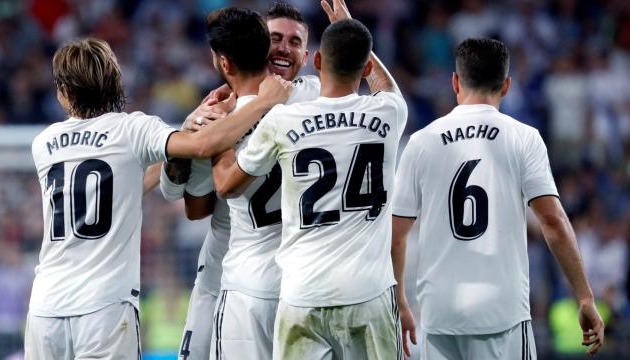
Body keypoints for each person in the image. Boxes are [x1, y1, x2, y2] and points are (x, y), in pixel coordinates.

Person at [25, 37, 292, 359]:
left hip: (45, 308)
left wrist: (187, 127)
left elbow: (118, 186)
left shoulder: (44, 144)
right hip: (104, 308)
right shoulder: (132, 130)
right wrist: (263, 104)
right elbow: (204, 147)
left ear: (63, 91)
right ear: (114, 80)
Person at [215, 1, 413, 358]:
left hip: (301, 293)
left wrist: (218, 131)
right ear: (366, 64)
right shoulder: (389, 113)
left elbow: (225, 185)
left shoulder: (280, 120)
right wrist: (352, 30)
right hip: (368, 292)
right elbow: (386, 88)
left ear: (315, 60)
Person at [391, 38, 605, 359]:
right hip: (500, 314)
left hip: (439, 315)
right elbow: (552, 221)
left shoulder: (420, 143)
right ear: (506, 86)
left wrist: (402, 303)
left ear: (455, 82)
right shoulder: (524, 137)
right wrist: (585, 297)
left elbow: (396, 237)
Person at [159, 4, 318, 360]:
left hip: (256, 282)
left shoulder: (214, 124)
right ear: (259, 46)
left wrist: (201, 135)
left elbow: (191, 203)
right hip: (233, 276)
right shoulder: (314, 101)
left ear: (307, 56)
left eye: (294, 42)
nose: (283, 49)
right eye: (275, 39)